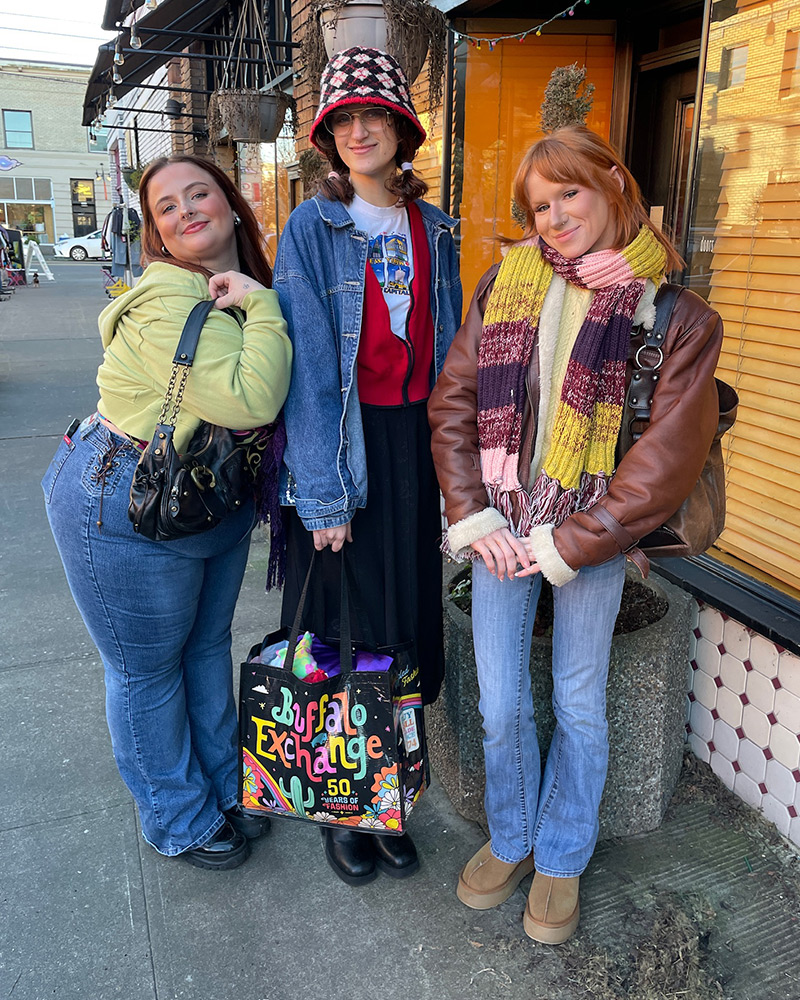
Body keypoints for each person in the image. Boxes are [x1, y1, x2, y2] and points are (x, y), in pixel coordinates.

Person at [428, 125, 723, 943]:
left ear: (613, 184)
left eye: (569, 194)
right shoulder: (506, 282)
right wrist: (471, 516)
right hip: (500, 528)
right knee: (499, 702)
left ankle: (560, 855)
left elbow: (665, 460)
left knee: (581, 703)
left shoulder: (677, 316)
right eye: (537, 204)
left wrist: (570, 543)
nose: (553, 217)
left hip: (587, 538)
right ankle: (514, 836)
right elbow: (454, 403)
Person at [42, 154, 292, 870]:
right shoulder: (165, 302)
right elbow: (251, 399)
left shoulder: (230, 288)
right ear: (156, 231)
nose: (186, 211)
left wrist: (252, 296)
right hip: (121, 500)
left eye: (198, 193)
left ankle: (222, 785)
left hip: (205, 493)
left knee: (207, 649)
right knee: (147, 672)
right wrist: (262, 306)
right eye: (166, 207)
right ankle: (175, 815)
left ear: (230, 203)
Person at [273, 47, 462, 886]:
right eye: (343, 119)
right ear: (326, 136)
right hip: (345, 444)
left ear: (401, 129)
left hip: (419, 447)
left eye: (372, 116)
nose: (358, 130)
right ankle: (342, 804)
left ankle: (391, 798)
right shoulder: (313, 228)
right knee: (346, 631)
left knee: (406, 628)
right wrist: (321, 494)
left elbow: (462, 355)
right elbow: (311, 370)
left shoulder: (436, 227)